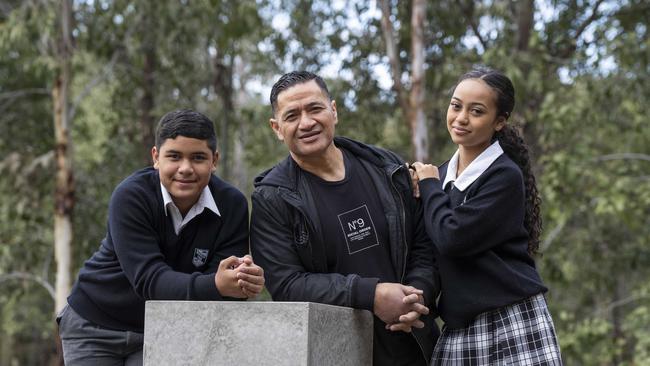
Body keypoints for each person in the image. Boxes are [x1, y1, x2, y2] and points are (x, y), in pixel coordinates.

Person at [250, 71, 440, 366]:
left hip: (416, 346)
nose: (307, 122)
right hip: (334, 352)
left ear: (333, 111)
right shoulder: (273, 198)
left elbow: (424, 245)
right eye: (292, 116)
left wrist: (416, 297)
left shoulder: (386, 168)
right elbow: (287, 284)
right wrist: (370, 294)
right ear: (277, 128)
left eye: (315, 108)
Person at [57, 109, 265, 365]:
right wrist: (216, 284)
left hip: (164, 329)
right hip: (94, 324)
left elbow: (222, 286)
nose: (185, 169)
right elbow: (149, 279)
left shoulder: (232, 204)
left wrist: (241, 281)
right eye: (174, 157)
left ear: (215, 160)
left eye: (198, 157)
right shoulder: (132, 196)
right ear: (156, 157)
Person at [410, 68, 562, 365]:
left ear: (499, 121)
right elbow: (427, 249)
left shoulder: (503, 175)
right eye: (456, 106)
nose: (461, 117)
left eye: (476, 111)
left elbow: (451, 237)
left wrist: (428, 186)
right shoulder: (440, 176)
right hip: (459, 329)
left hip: (512, 320)